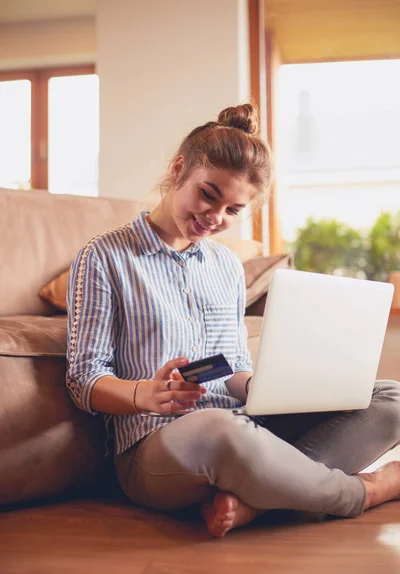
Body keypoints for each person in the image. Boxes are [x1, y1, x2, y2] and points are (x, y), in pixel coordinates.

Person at [66, 103, 400, 538]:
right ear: (178, 169)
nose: (215, 217)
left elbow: (230, 368)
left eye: (233, 210)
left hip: (242, 422)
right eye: (208, 194)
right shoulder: (104, 256)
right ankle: (367, 491)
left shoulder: (225, 265)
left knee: (390, 398)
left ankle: (254, 506)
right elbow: (82, 379)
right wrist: (145, 394)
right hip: (151, 444)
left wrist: (268, 388)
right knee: (222, 430)